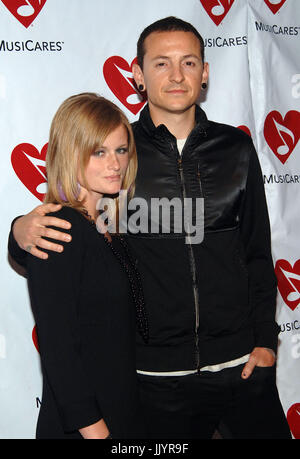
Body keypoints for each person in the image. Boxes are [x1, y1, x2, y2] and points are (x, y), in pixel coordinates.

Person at [8, 17, 291, 439]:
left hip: (243, 370)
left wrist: (267, 343)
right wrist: (18, 232)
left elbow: (256, 251)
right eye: (161, 63)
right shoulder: (118, 155)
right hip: (154, 384)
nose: (177, 76)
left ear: (206, 72)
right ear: (138, 75)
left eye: (189, 62)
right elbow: (69, 241)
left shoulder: (236, 148)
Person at [8, 92, 148, 439]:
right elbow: (59, 349)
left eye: (120, 150)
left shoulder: (106, 228)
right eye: (98, 151)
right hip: (87, 427)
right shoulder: (58, 228)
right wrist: (97, 432)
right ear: (71, 154)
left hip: (121, 411)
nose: (115, 164)